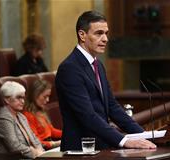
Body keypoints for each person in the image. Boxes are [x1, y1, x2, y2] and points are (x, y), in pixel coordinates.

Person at [55, 10, 156, 151]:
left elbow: (112, 106)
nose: (105, 39)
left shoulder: (98, 65)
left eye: (106, 33)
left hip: (101, 146)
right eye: (99, 33)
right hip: (80, 150)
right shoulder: (70, 68)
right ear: (82, 35)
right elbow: (87, 115)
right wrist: (124, 141)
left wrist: (143, 134)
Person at [0, 81, 44, 158]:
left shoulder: (21, 116)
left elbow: (34, 138)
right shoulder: (3, 118)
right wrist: (35, 154)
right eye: (19, 97)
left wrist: (42, 152)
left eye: (23, 98)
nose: (23, 101)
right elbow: (14, 146)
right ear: (7, 100)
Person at [23, 79, 61, 150]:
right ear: (35, 95)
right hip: (43, 149)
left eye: (49, 96)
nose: (48, 100)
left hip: (51, 145)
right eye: (45, 96)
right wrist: (55, 143)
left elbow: (52, 131)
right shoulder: (28, 115)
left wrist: (69, 134)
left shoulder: (41, 111)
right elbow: (35, 142)